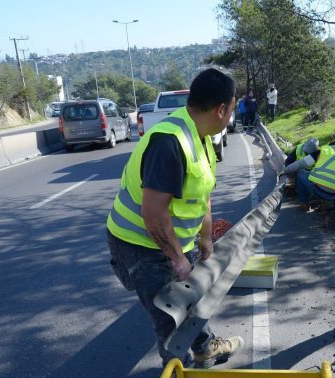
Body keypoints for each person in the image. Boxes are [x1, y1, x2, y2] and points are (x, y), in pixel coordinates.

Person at [106, 68, 244, 368]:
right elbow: (153, 215)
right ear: (222, 109)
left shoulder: (201, 137)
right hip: (139, 244)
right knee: (171, 318)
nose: (232, 113)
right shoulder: (170, 142)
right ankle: (177, 369)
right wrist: (178, 258)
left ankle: (206, 348)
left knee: (189, 298)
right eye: (233, 108)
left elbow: (202, 191)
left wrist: (206, 237)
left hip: (169, 241)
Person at [285, 141, 335, 212]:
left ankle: (304, 204)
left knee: (301, 173)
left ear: (329, 146)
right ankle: (326, 204)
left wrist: (286, 170)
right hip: (334, 195)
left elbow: (301, 164)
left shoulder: (322, 151)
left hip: (318, 191)